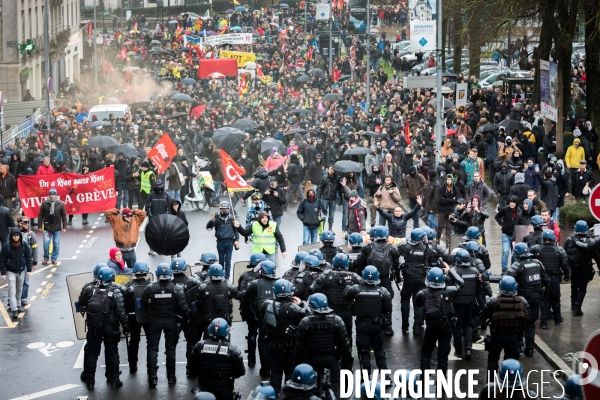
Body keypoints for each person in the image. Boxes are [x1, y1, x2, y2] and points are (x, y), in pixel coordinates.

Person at [78, 266, 129, 389]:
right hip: (110, 327)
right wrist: (126, 326)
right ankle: (114, 380)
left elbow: (81, 303)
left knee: (92, 353)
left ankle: (90, 381)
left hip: (94, 326)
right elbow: (121, 312)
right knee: (112, 352)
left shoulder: (90, 290)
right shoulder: (116, 292)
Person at [294, 293, 353, 396]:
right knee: (332, 388)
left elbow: (299, 345)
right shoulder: (337, 320)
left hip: (312, 359)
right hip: (332, 359)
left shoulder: (305, 322)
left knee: (312, 388)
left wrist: (299, 362)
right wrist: (346, 363)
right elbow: (345, 344)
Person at [141, 263, 188, 387]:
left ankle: (153, 378)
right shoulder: (176, 288)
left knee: (152, 349)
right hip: (171, 321)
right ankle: (171, 377)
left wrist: (149, 313)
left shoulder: (151, 288)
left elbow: (142, 303)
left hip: (155, 321)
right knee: (171, 349)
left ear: (157, 274)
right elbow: (183, 307)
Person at [343, 265, 392, 376]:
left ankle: (366, 377)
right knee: (379, 350)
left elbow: (345, 297)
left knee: (364, 352)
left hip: (362, 324)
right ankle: (385, 376)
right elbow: (387, 309)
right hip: (376, 324)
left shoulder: (356, 289)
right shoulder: (383, 292)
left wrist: (347, 284)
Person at [261, 279, 307, 392]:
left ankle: (274, 395)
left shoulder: (267, 305)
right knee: (290, 372)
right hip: (289, 345)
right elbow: (307, 317)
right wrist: (301, 304)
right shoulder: (292, 307)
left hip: (272, 344)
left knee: (275, 372)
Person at [415, 267, 462, 374]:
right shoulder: (449, 291)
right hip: (447, 327)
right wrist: (450, 270)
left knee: (426, 353)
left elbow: (417, 304)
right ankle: (441, 379)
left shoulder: (422, 293)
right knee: (443, 356)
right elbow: (460, 283)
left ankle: (424, 376)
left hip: (431, 327)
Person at [354, 225, 399, 336]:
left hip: (370, 277)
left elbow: (360, 262)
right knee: (388, 299)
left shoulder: (368, 246)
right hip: (385, 278)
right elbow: (396, 264)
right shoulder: (392, 247)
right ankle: (388, 325)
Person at [507, 242, 549, 357]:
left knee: (519, 322)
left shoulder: (517, 265)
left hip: (522, 299)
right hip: (536, 298)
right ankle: (529, 349)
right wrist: (544, 295)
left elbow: (507, 280)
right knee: (531, 324)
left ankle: (519, 345)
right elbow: (546, 280)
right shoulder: (537, 263)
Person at [238, 260, 278, 377]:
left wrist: (246, 312)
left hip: (260, 317)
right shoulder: (280, 282)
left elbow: (247, 299)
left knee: (262, 341)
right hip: (277, 318)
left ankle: (263, 367)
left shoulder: (255, 283)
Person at [191, 318, 246, 400]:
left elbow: (192, 367)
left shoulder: (199, 346)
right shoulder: (233, 349)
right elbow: (241, 371)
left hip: (205, 385)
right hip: (225, 388)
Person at [311, 253, 361, 337]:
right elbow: (364, 287)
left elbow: (313, 288)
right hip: (347, 310)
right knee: (347, 335)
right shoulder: (353, 276)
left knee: (332, 335)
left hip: (331, 310)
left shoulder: (326, 274)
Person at [531, 230, 568, 329]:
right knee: (555, 299)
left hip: (541, 279)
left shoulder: (536, 249)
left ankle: (544, 322)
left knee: (544, 300)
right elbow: (565, 265)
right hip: (554, 278)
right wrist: (567, 275)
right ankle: (557, 319)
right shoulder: (559, 250)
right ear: (553, 239)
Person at [448, 249, 480, 360]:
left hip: (457, 303)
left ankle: (458, 350)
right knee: (467, 325)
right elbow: (478, 288)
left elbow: (450, 288)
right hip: (471, 301)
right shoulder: (475, 271)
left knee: (457, 326)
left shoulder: (454, 271)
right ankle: (468, 348)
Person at [398, 228, 430, 335]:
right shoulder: (425, 248)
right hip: (421, 278)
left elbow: (397, 250)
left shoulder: (405, 247)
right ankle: (417, 327)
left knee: (405, 300)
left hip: (408, 279)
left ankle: (404, 325)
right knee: (418, 303)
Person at [564, 221, 600, 317]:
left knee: (574, 286)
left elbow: (564, 253)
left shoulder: (569, 240)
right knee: (582, 288)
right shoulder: (590, 242)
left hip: (574, 268)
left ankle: (573, 305)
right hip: (585, 268)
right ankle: (577, 308)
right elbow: (596, 256)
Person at [237, 253, 267, 367]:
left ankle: (251, 359)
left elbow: (240, 293)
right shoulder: (267, 276)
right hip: (263, 311)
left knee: (252, 333)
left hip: (250, 311)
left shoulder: (245, 275)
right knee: (264, 336)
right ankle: (264, 362)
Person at [195, 264, 238, 339]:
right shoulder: (229, 286)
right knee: (225, 345)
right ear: (223, 273)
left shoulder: (203, 287)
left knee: (207, 343)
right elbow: (236, 294)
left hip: (208, 320)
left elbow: (199, 303)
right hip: (224, 320)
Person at [123, 261, 151, 374]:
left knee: (134, 341)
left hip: (133, 318)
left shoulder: (128, 286)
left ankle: (132, 367)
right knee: (151, 342)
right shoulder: (151, 285)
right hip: (148, 317)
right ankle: (151, 367)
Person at [0, 227, 33, 318]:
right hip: (10, 271)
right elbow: (2, 260)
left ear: (20, 236)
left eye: (17, 235)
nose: (16, 237)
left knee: (19, 289)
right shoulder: (6, 246)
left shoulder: (24, 245)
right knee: (12, 290)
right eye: (14, 235)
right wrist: (3, 273)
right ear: (11, 236)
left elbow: (28, 258)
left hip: (21, 270)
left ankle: (18, 305)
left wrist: (29, 270)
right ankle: (14, 309)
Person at [206, 201, 239, 280]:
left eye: (225, 209)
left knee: (228, 261)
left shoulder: (232, 218)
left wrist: (237, 240)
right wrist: (211, 220)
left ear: (228, 209)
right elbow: (208, 227)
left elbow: (236, 230)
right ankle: (220, 277)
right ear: (220, 209)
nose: (224, 210)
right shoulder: (217, 219)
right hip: (220, 242)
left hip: (229, 242)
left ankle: (227, 278)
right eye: (222, 209)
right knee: (221, 261)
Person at [38, 188, 67, 265]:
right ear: (49, 195)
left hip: (57, 227)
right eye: (51, 194)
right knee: (46, 243)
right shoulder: (44, 204)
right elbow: (40, 215)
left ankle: (54, 258)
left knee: (56, 243)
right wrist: (40, 225)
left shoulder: (61, 204)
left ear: (56, 195)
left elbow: (64, 216)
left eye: (54, 194)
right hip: (47, 227)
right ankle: (46, 258)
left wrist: (64, 227)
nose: (52, 196)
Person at [145, 180, 171, 255]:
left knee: (162, 235)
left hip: (163, 219)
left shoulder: (166, 195)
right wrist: (150, 216)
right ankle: (152, 249)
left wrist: (165, 216)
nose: (159, 187)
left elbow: (169, 207)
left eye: (160, 186)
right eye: (157, 186)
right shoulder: (151, 195)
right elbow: (147, 207)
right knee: (152, 235)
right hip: (153, 219)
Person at [16, 217, 37, 306]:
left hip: (26, 261)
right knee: (14, 281)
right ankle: (13, 299)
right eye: (23, 222)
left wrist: (34, 261)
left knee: (26, 281)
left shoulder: (31, 234)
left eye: (27, 222)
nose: (26, 224)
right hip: (15, 261)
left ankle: (23, 298)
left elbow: (35, 248)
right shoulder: (15, 233)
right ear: (19, 223)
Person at [495, 196, 518, 273]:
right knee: (505, 252)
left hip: (515, 236)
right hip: (506, 234)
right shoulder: (505, 209)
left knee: (514, 253)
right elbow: (497, 216)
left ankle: (513, 269)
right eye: (510, 202)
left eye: (513, 202)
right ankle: (504, 270)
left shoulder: (519, 211)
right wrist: (502, 224)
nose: (511, 204)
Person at [437, 174, 461, 247]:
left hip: (450, 210)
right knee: (440, 226)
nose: (448, 181)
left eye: (450, 180)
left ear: (452, 180)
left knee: (449, 227)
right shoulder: (441, 188)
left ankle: (448, 242)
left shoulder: (455, 189)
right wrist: (451, 200)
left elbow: (456, 200)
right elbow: (440, 200)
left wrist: (446, 199)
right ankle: (437, 238)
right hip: (442, 210)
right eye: (447, 179)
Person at [318, 165, 345, 231]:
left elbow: (339, 190)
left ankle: (330, 229)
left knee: (331, 215)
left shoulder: (337, 179)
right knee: (323, 215)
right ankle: (322, 230)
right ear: (328, 170)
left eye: (333, 170)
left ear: (335, 171)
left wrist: (341, 199)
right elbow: (320, 189)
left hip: (333, 199)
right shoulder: (324, 178)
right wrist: (318, 198)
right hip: (325, 198)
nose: (331, 171)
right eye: (330, 169)